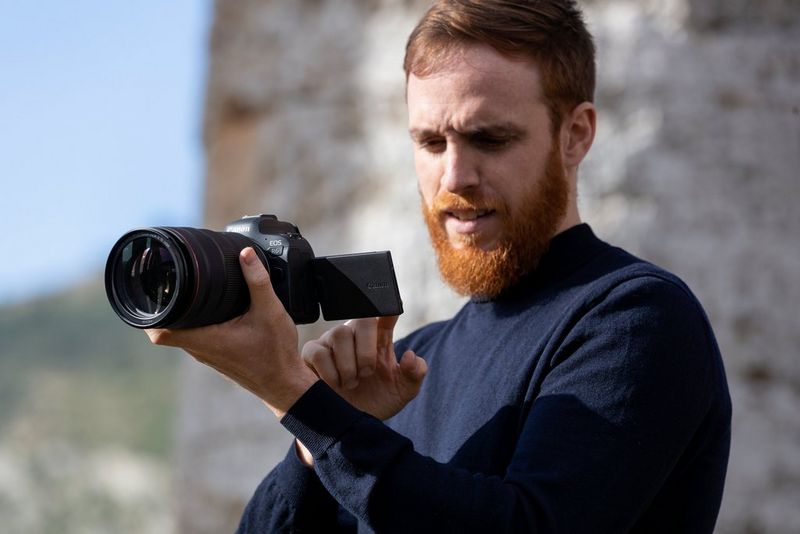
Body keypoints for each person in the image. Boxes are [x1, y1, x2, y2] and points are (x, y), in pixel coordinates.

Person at [148, 1, 732, 532]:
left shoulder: (636, 319)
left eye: (490, 139)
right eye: (430, 143)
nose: (454, 179)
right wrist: (320, 435)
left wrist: (293, 395)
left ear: (575, 136)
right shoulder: (410, 363)